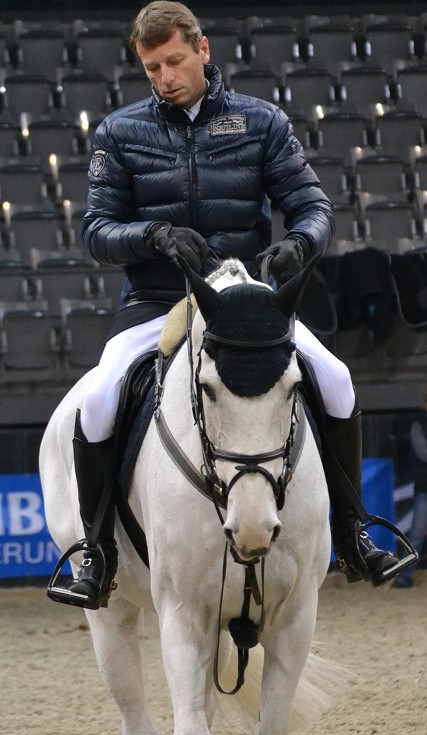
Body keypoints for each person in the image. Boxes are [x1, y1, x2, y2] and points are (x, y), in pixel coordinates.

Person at [63, 0, 403, 608]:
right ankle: (97, 553)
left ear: (202, 50)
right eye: (151, 68)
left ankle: (352, 531)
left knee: (339, 378)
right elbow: (95, 231)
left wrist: (300, 244)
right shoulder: (118, 131)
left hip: (244, 299)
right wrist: (154, 237)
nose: (164, 77)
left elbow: (313, 207)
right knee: (97, 399)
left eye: (173, 61)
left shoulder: (260, 122)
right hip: (155, 302)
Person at [393, 393, 427, 588]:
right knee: (415, 534)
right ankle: (405, 575)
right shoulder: (419, 423)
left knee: (416, 533)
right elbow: (423, 452)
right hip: (425, 486)